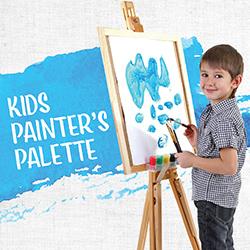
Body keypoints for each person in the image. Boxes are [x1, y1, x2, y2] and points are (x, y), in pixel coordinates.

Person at [175, 44, 247, 250]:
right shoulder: (217, 111)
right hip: (221, 198)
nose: (209, 82)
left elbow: (229, 166)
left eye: (218, 76)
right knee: (224, 245)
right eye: (205, 74)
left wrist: (192, 160)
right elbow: (219, 153)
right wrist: (198, 143)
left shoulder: (222, 119)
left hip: (213, 200)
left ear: (235, 81)